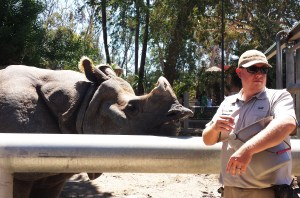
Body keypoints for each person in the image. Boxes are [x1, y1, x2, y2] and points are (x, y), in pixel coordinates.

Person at [202, 49, 297, 198]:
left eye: (263, 69)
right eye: (253, 69)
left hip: (267, 192)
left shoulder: (278, 97)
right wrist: (214, 128)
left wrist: (248, 150)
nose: (259, 74)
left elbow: (287, 123)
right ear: (239, 72)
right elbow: (207, 140)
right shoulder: (228, 102)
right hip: (230, 192)